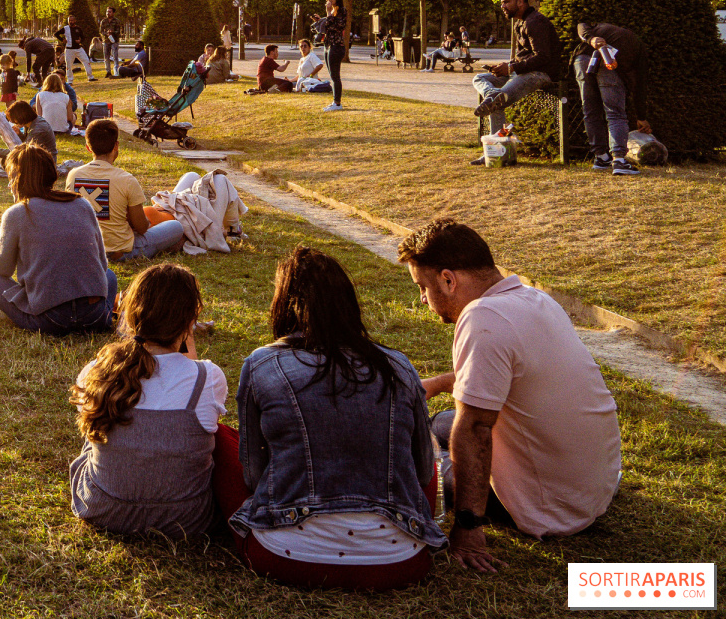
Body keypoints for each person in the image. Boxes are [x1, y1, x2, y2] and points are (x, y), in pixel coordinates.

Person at [400, 220, 620, 566]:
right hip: (591, 488)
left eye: (422, 287)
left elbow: (474, 430)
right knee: (439, 423)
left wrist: (469, 527)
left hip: (548, 506)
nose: (424, 298)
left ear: (447, 279)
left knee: (413, 462)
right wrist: (439, 384)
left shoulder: (481, 317)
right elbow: (510, 371)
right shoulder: (533, 299)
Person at [226, 247, 445, 589]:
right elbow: (420, 472)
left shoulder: (261, 365)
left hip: (287, 556)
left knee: (221, 441)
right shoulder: (399, 367)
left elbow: (253, 478)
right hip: (400, 560)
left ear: (283, 304)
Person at [67, 263, 230, 536]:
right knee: (218, 435)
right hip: (186, 520)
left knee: (96, 426)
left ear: (130, 314)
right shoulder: (208, 377)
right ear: (190, 318)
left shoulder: (96, 371)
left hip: (103, 509)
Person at [0, 145, 115, 335]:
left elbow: (1, 269)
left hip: (50, 320)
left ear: (18, 179)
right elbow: (102, 265)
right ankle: (106, 314)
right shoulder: (82, 204)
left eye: (10, 179)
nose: (9, 186)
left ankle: (27, 314)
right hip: (94, 317)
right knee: (111, 276)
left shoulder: (17, 213)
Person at [64, 119, 185, 261]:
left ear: (88, 147)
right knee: (176, 226)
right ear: (116, 145)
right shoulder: (126, 179)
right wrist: (144, 222)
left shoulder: (73, 175)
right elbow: (141, 228)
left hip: (85, 249)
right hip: (120, 251)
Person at [471, 0, 560, 149]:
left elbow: (543, 57)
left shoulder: (535, 21)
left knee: (497, 101)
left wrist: (511, 68)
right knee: (480, 78)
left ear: (520, 2)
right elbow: (523, 56)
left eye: (506, 2)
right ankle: (493, 96)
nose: (502, 6)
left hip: (540, 74)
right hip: (523, 71)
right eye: (501, 3)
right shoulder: (519, 23)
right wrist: (506, 66)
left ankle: (497, 151)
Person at [572, 21, 650, 176]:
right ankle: (619, 160)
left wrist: (590, 39)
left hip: (581, 59)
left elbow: (581, 25)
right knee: (614, 112)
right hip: (609, 65)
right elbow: (639, 84)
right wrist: (641, 116)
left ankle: (601, 157)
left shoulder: (598, 27)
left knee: (590, 111)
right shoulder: (638, 46)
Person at [310, 0, 351, 112]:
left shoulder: (341, 10)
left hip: (336, 46)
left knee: (335, 76)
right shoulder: (332, 11)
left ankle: (337, 103)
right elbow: (326, 27)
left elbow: (337, 26)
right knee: (332, 75)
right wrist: (320, 20)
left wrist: (328, 14)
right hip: (327, 45)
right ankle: (335, 102)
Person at [60, 12, 96, 82]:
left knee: (86, 61)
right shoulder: (65, 28)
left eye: (72, 20)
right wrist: (62, 40)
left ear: (75, 21)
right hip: (69, 49)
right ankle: (70, 80)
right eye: (69, 20)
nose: (71, 22)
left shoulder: (78, 28)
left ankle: (90, 77)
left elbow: (83, 37)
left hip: (78, 48)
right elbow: (56, 34)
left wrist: (80, 41)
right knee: (69, 65)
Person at [100, 7, 122, 75]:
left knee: (115, 56)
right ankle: (108, 71)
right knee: (106, 56)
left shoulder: (117, 21)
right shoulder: (103, 21)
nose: (108, 13)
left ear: (113, 13)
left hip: (114, 40)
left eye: (110, 12)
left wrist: (113, 32)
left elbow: (119, 31)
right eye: (107, 12)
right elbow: (101, 31)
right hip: (106, 40)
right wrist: (106, 33)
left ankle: (116, 71)